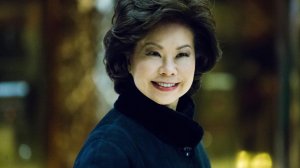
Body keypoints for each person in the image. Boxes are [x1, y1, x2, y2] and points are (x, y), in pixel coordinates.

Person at [74, 0, 221, 167]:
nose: (168, 70)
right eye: (154, 53)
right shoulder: (108, 149)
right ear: (128, 59)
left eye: (182, 54)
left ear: (197, 58)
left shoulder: (189, 139)